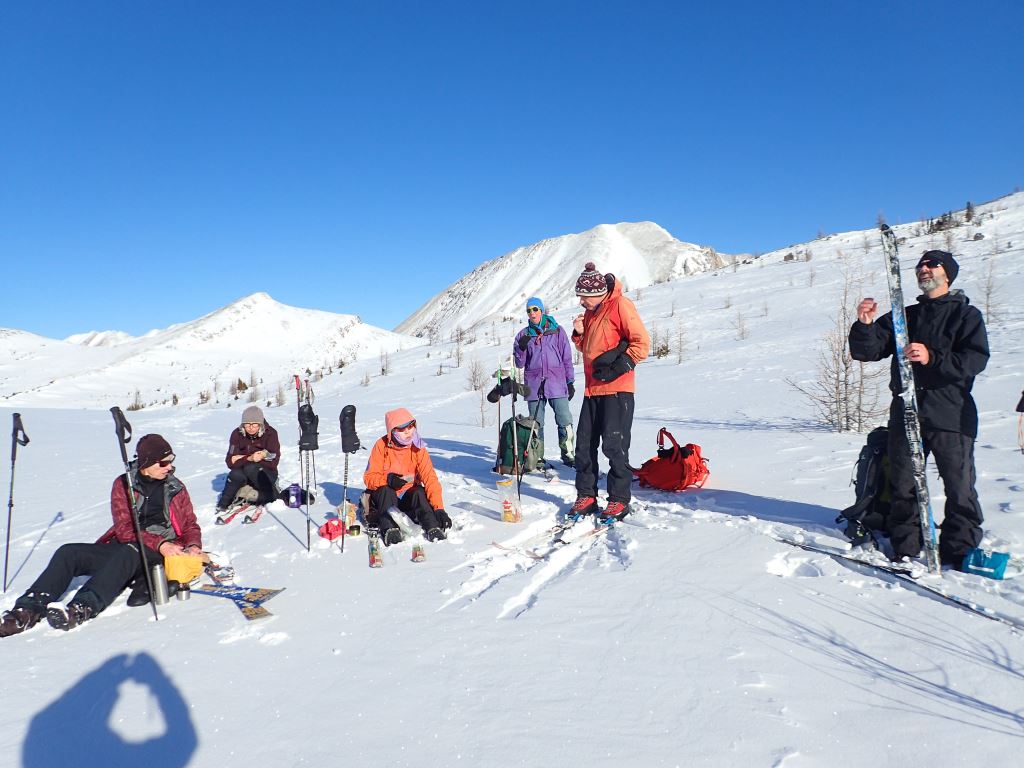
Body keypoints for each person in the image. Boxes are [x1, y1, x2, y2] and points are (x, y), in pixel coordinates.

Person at [849, 249, 990, 567]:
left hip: (951, 413)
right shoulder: (905, 316)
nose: (924, 269)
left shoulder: (966, 316)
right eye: (920, 265)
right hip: (906, 411)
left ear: (947, 274)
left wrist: (932, 357)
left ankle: (959, 549)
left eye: (932, 264)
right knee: (903, 483)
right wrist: (865, 325)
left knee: (959, 486)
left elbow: (975, 360)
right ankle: (906, 545)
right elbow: (868, 351)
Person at [1, 434, 202, 636]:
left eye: (171, 461)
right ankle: (25, 611)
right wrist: (158, 543)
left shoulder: (176, 487)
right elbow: (124, 530)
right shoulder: (124, 484)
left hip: (160, 552)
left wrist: (192, 545)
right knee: (69, 552)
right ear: (146, 463)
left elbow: (190, 524)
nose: (169, 467)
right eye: (163, 463)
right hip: (128, 545)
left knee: (130, 551)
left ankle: (81, 608)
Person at [569, 262, 650, 522]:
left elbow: (641, 343)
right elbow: (588, 347)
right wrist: (579, 334)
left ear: (596, 292)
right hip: (592, 390)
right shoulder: (591, 312)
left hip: (617, 390)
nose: (581, 301)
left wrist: (618, 368)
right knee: (583, 446)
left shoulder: (621, 305)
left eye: (583, 296)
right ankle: (587, 495)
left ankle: (619, 499)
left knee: (615, 446)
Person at [363, 408, 452, 545]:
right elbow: (369, 478)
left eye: (410, 427)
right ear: (392, 431)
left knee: (419, 492)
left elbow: (430, 478)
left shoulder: (418, 447)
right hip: (386, 497)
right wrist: (387, 480)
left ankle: (432, 526)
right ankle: (390, 529)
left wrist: (439, 509)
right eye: (401, 429)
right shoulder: (381, 445)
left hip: (408, 498)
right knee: (385, 490)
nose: (407, 432)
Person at [513, 296, 576, 467]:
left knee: (564, 420)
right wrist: (521, 349)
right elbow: (519, 364)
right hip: (534, 385)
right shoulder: (523, 335)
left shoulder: (557, 331)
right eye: (529, 310)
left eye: (535, 309)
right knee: (536, 424)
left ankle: (569, 455)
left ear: (541, 310)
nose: (532, 313)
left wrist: (570, 381)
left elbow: (567, 358)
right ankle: (537, 457)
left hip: (557, 383)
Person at [216, 405, 281, 512]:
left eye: (254, 424)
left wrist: (243, 459)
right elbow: (230, 462)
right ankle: (223, 505)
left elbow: (273, 461)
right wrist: (249, 458)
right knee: (235, 474)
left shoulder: (271, 434)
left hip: (266, 474)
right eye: (247, 424)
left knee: (250, 468)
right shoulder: (237, 434)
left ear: (260, 424)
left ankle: (272, 496)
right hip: (244, 474)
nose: (251, 427)